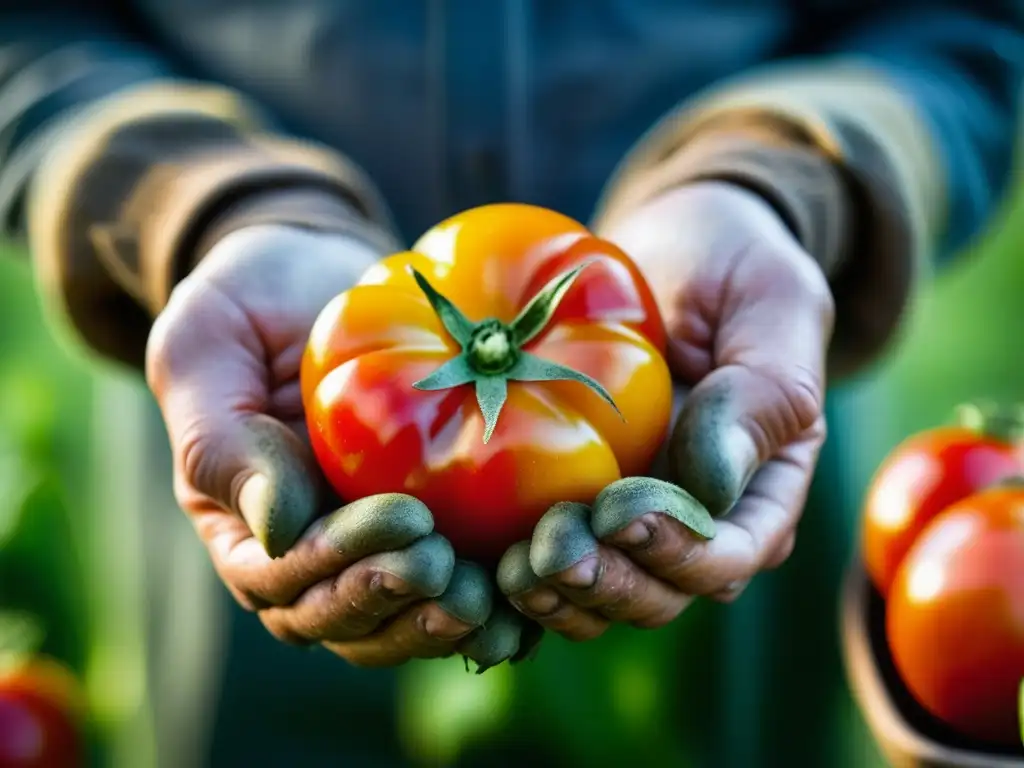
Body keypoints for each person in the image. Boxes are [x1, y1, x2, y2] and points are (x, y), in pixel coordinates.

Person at [3, 1, 1023, 765]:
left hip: (722, 375)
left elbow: (967, 21)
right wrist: (182, 198)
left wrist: (783, 180)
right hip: (259, 393)